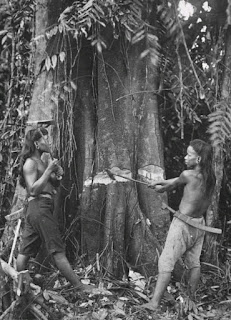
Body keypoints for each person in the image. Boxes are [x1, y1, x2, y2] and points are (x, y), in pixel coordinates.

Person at [141, 139, 216, 310]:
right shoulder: (210, 177)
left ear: (198, 160)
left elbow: (173, 184)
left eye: (189, 155)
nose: (185, 157)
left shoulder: (187, 175)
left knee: (166, 261)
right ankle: (190, 300)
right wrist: (161, 183)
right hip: (199, 225)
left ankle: (154, 303)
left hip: (182, 225)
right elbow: (178, 180)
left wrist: (160, 187)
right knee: (194, 263)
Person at [16, 127, 94, 293]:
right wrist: (50, 170)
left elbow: (52, 185)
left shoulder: (42, 162)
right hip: (39, 208)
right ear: (37, 143)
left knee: (25, 252)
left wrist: (57, 175)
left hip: (39, 210)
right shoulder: (30, 162)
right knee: (57, 250)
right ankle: (79, 287)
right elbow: (33, 190)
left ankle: (19, 283)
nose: (48, 141)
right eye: (45, 138)